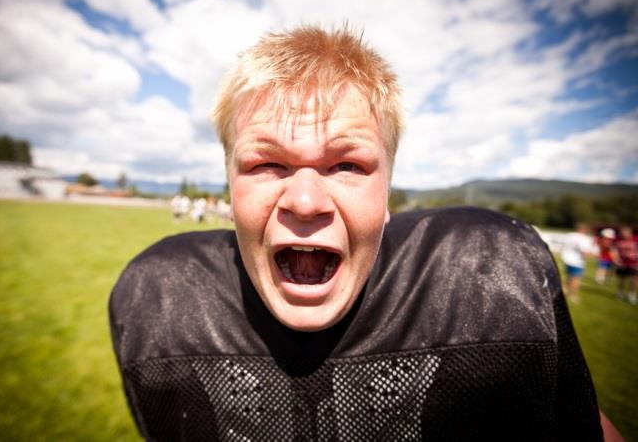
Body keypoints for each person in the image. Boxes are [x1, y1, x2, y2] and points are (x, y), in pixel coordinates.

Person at [110, 25, 607, 440]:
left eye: (346, 164)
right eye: (267, 164)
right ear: (229, 189)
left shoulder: (490, 280)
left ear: (387, 193)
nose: (305, 201)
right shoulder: (160, 301)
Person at [559, 223, 596, 303]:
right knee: (576, 279)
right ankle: (573, 295)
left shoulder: (569, 235)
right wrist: (596, 255)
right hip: (577, 261)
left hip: (566, 259)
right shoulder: (581, 238)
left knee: (569, 278)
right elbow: (585, 252)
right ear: (584, 230)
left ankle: (564, 292)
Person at [613, 226, 638, 304]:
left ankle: (632, 295)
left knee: (634, 280)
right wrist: (616, 260)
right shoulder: (618, 240)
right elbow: (614, 250)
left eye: (625, 234)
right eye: (622, 234)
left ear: (630, 233)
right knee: (621, 279)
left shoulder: (636, 239)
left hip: (634, 263)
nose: (624, 236)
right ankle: (620, 293)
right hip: (622, 264)